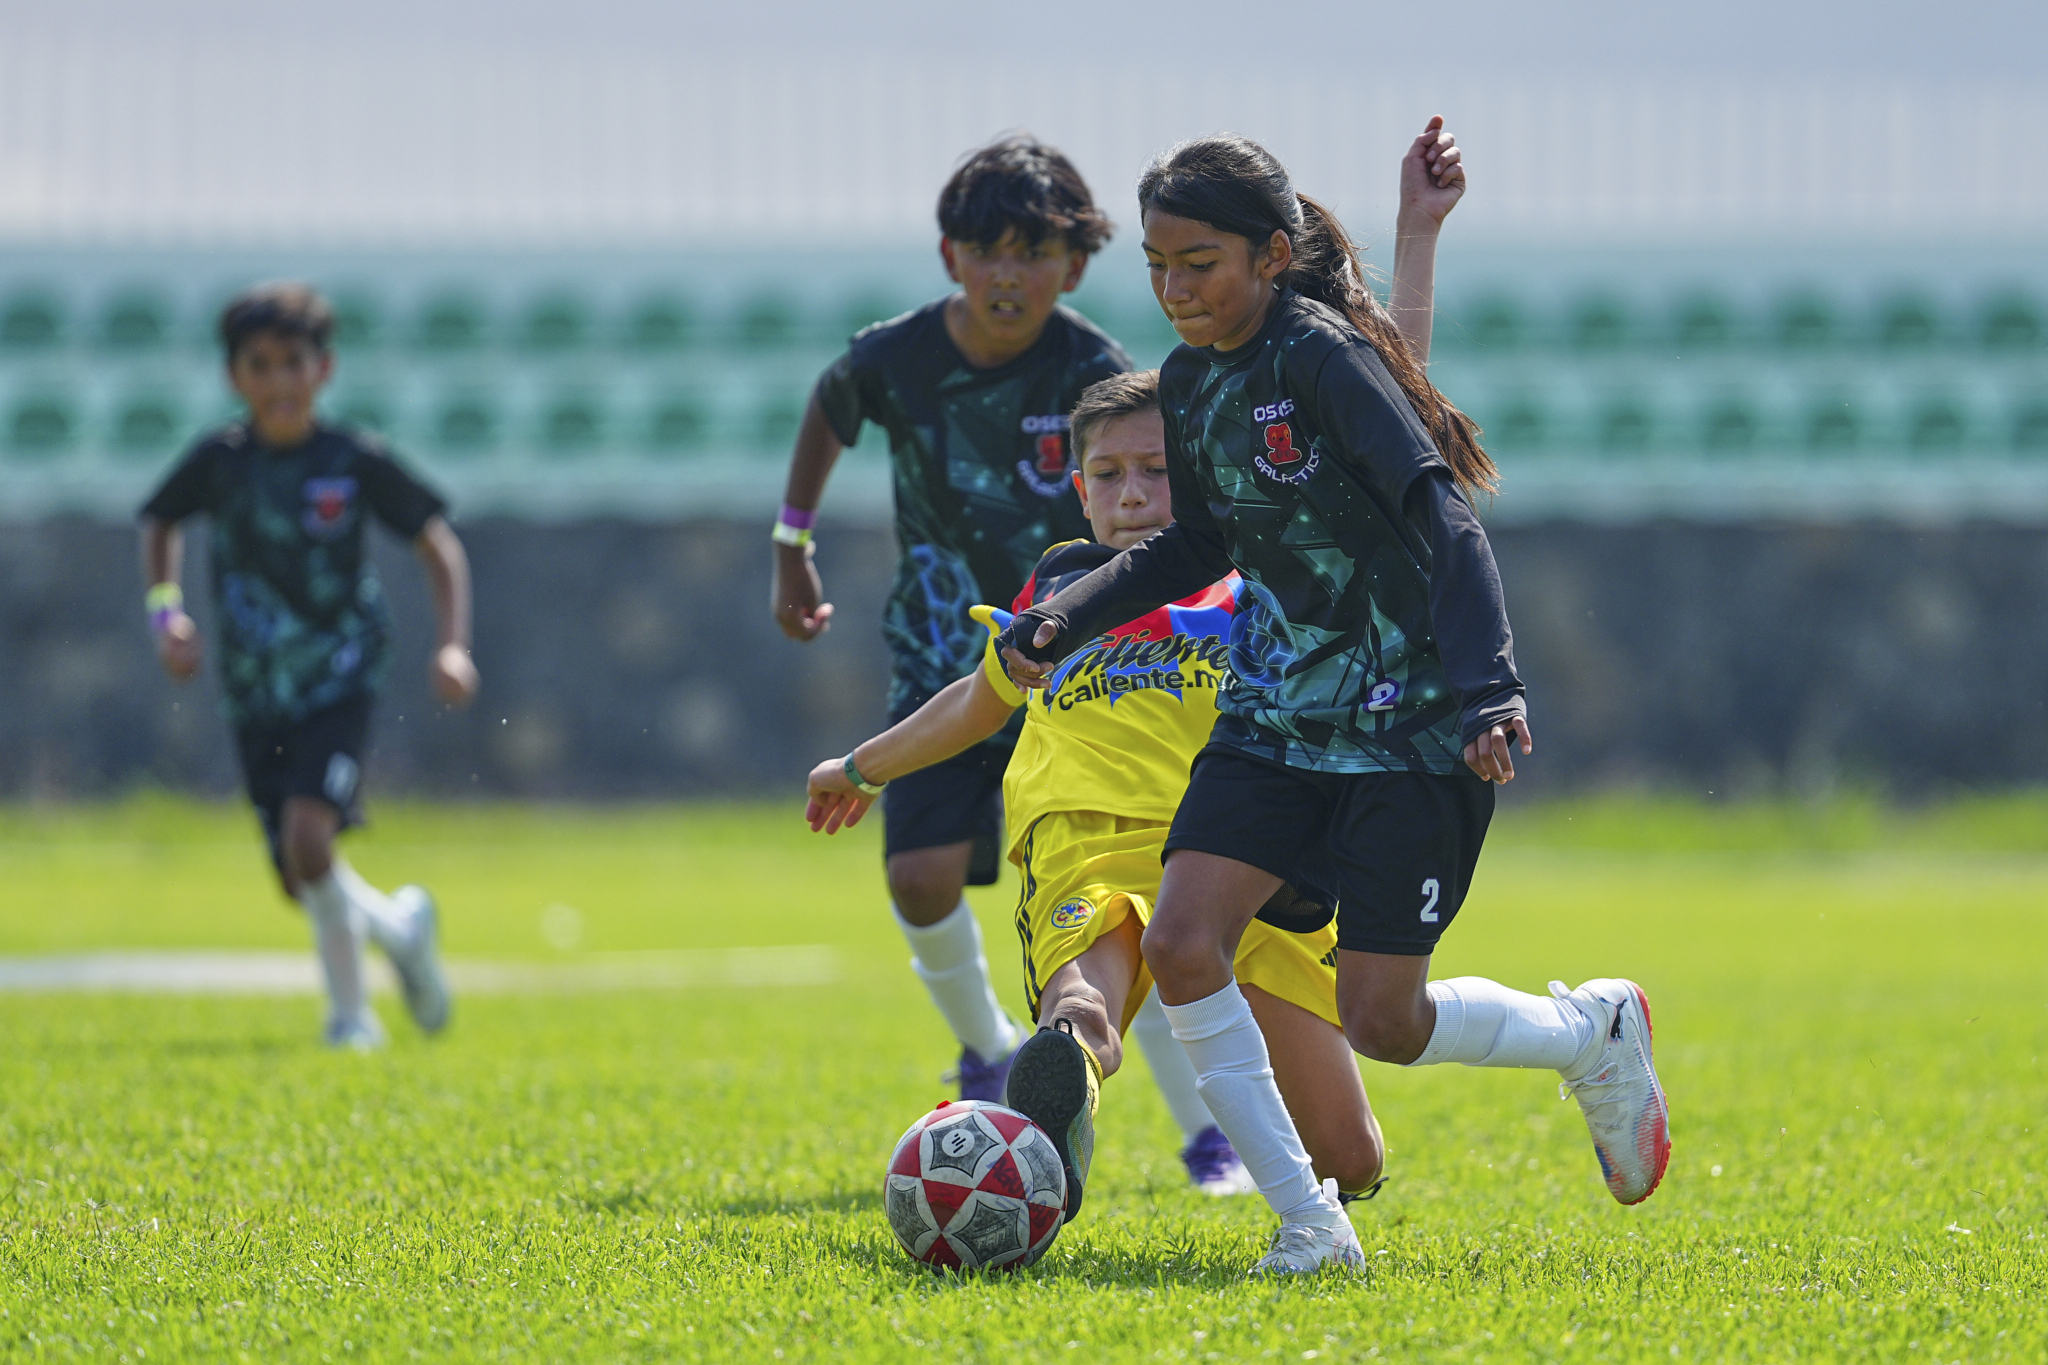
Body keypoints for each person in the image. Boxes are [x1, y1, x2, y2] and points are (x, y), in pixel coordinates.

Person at [998, 131, 1670, 1275]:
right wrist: (1071, 613)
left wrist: (1488, 687)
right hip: (1270, 719)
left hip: (1403, 726)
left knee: (1384, 1022)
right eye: (1157, 266)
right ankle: (1309, 1227)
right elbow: (1197, 542)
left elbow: (1439, 514)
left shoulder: (1320, 357)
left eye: (1197, 263)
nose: (1173, 290)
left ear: (1269, 255)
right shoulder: (1194, 382)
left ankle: (1585, 1033)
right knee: (1182, 937)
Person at [805, 370, 1383, 1223]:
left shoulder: (1260, 573)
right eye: (1108, 475)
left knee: (1349, 1159)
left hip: (1244, 847)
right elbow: (978, 700)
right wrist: (864, 764)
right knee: (1082, 1003)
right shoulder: (1060, 588)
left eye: (1156, 469)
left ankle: (1103, 1102)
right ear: (1080, 492)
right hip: (1086, 833)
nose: (1133, 493)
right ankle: (1065, 1072)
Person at [769, 134, 1132, 1102]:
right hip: (939, 655)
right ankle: (986, 1048)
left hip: (1074, 665)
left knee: (1121, 891)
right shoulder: (894, 358)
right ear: (949, 259)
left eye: (1032, 254)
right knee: (919, 877)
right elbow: (827, 411)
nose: (1007, 276)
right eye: (986, 253)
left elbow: (1151, 482)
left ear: (1074, 264)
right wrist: (788, 544)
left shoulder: (1093, 370)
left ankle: (1204, 1129)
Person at [139, 282, 477, 1050]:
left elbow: (438, 544)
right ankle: (400, 929)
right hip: (258, 690)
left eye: (294, 363)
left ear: (323, 370)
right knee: (301, 877)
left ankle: (350, 1018)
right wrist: (167, 612)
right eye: (260, 365)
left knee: (308, 839)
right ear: (235, 377)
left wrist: (452, 644)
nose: (279, 382)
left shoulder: (351, 460)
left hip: (339, 675)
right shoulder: (220, 462)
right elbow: (159, 521)